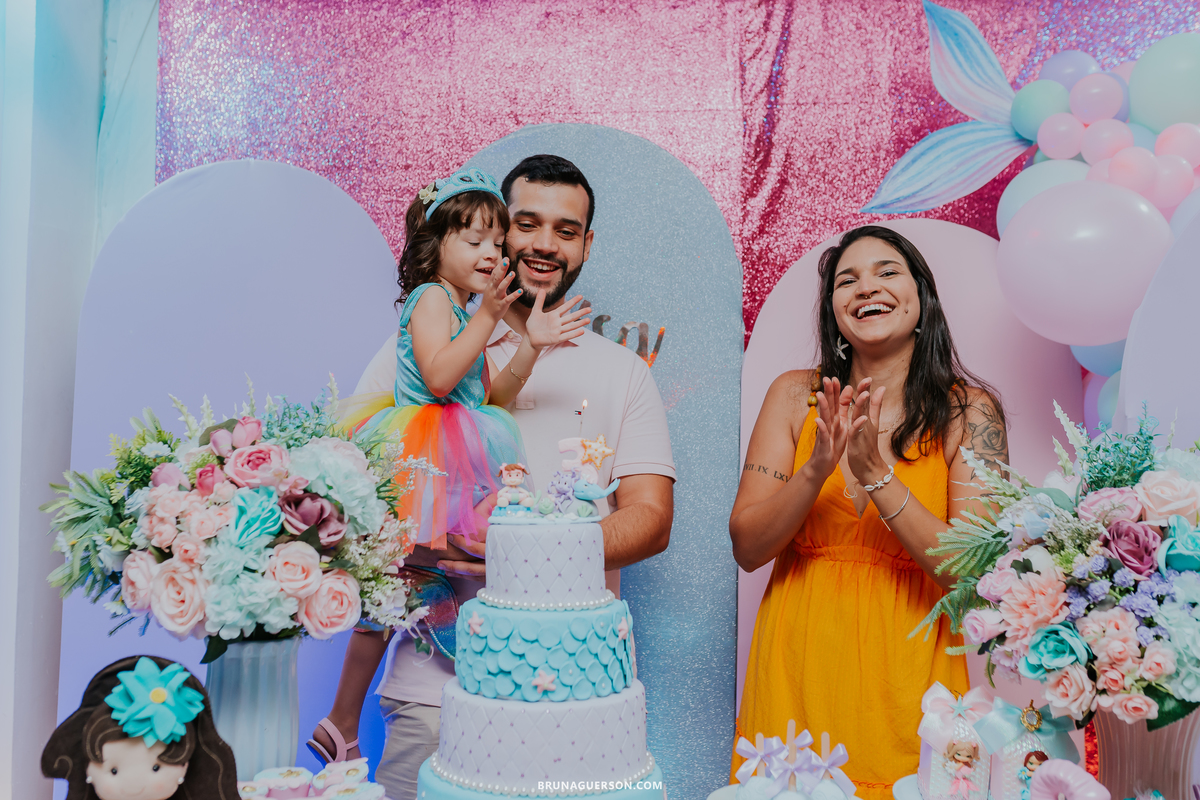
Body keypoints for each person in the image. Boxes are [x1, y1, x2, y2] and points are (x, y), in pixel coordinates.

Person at [315, 155, 676, 800]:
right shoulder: (433, 338)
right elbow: (349, 496)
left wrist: (523, 553)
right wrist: (427, 548)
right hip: (435, 698)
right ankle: (343, 714)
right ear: (494, 231)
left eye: (566, 230)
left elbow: (650, 522)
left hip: (572, 695)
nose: (542, 244)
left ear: (587, 245)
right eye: (524, 224)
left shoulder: (625, 371)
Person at [306, 165, 590, 766]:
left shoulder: (464, 311)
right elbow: (438, 378)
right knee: (409, 580)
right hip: (426, 460)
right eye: (475, 240)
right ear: (437, 247)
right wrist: (490, 317)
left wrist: (530, 346)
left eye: (496, 241)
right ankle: (348, 713)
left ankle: (345, 718)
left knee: (411, 588)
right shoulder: (433, 299)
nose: (492, 253)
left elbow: (489, 399)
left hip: (456, 453)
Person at [729, 225, 1008, 800]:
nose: (865, 288)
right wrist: (816, 468)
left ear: (921, 297)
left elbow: (973, 575)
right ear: (834, 311)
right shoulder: (792, 396)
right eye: (846, 280)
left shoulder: (969, 412)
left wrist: (878, 475)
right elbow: (748, 547)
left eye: (887, 272)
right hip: (797, 668)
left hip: (908, 683)